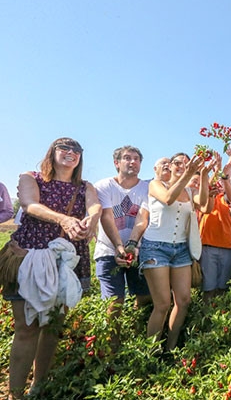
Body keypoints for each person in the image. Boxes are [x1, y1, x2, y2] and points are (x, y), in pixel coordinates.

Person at [5, 137, 101, 399]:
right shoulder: (31, 177)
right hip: (30, 256)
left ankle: (39, 386)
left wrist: (90, 220)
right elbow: (29, 204)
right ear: (52, 152)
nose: (70, 153)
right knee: (26, 327)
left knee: (53, 325)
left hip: (66, 261)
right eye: (64, 148)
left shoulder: (84, 186)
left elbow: (95, 206)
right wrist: (64, 219)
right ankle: (15, 394)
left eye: (76, 151)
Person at [139, 152, 210, 351]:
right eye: (177, 163)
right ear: (170, 166)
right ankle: (150, 353)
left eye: (186, 164)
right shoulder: (156, 185)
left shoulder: (188, 189)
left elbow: (204, 204)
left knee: (184, 300)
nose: (182, 166)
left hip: (180, 250)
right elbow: (168, 199)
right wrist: (189, 172)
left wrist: (203, 174)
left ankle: (170, 349)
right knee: (162, 304)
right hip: (155, 247)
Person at [93, 146, 151, 351]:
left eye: (136, 158)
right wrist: (119, 247)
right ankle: (113, 344)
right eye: (127, 158)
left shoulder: (146, 187)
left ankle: (135, 330)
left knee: (144, 295)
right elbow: (106, 216)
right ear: (116, 163)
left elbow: (143, 217)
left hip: (137, 250)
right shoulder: (104, 186)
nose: (132, 162)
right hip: (108, 251)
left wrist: (132, 245)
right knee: (115, 301)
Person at [198, 152, 231, 302]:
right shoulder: (206, 198)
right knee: (208, 288)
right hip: (208, 246)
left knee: (222, 287)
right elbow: (206, 186)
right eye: (217, 182)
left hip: (227, 247)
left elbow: (229, 190)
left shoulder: (229, 198)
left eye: (222, 182)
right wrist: (216, 169)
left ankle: (220, 317)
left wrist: (228, 164)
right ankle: (207, 318)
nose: (219, 184)